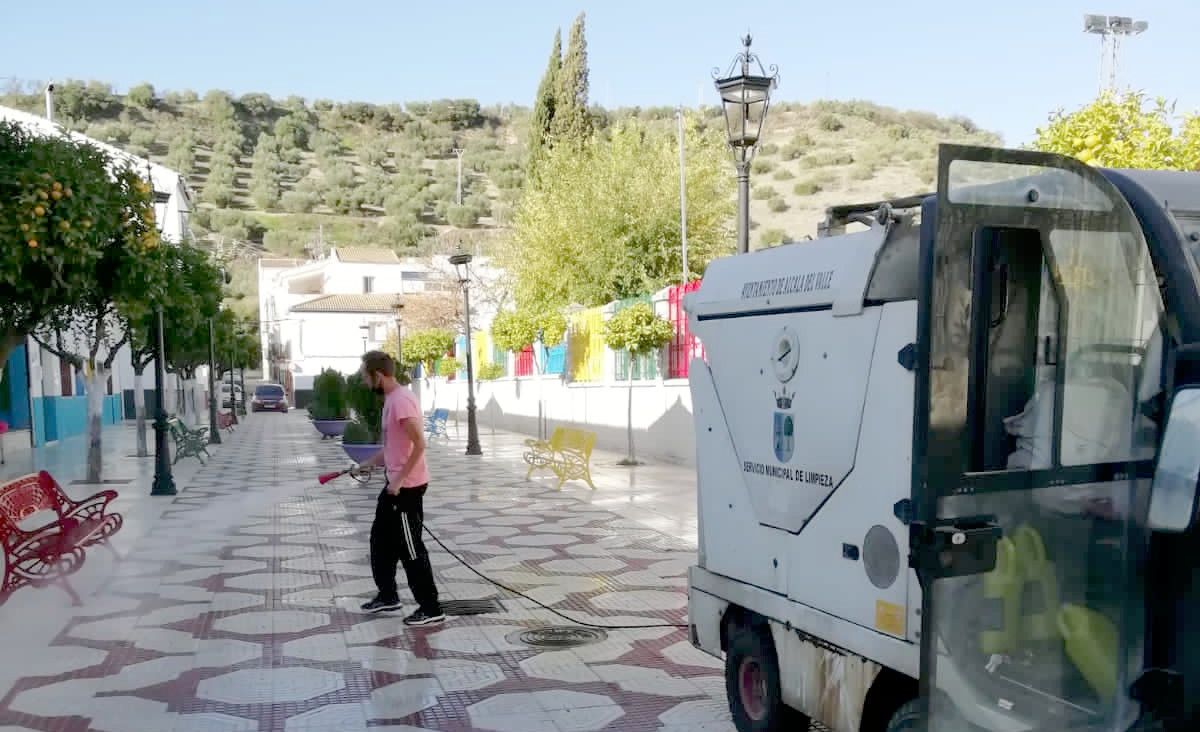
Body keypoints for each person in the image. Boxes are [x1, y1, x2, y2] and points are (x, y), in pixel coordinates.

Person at [354, 350, 444, 626]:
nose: (364, 381)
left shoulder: (402, 401)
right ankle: (388, 595)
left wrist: (399, 481)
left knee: (410, 547)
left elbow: (420, 445)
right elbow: (393, 447)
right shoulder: (391, 400)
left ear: (378, 375)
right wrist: (369, 463)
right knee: (380, 541)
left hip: (407, 489)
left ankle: (431, 608)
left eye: (365, 376)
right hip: (394, 486)